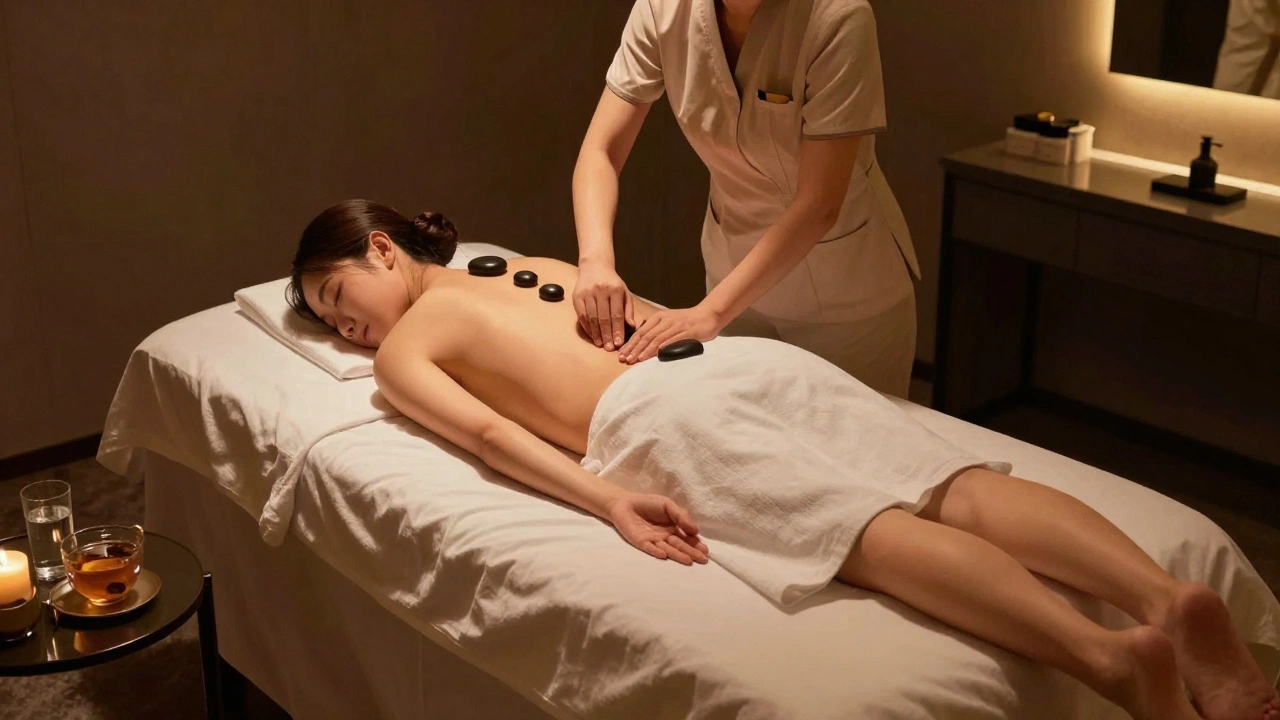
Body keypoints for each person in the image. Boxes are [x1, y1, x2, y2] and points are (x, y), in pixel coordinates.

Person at [286, 200, 1279, 720]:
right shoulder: (533, 268)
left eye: (339, 303)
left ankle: (1112, 662)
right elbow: (613, 319)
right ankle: (1159, 596)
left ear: (381, 250)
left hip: (663, 412)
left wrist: (607, 500)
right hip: (728, 360)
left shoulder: (415, 344)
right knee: (956, 488)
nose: (351, 334)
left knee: (870, 533)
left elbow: (494, 437)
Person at [571, 0, 921, 397]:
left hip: (844, 302)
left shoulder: (837, 17)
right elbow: (601, 150)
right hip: (733, 277)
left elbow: (819, 203)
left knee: (850, 448)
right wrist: (595, 262)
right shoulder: (662, 9)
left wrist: (709, 313)